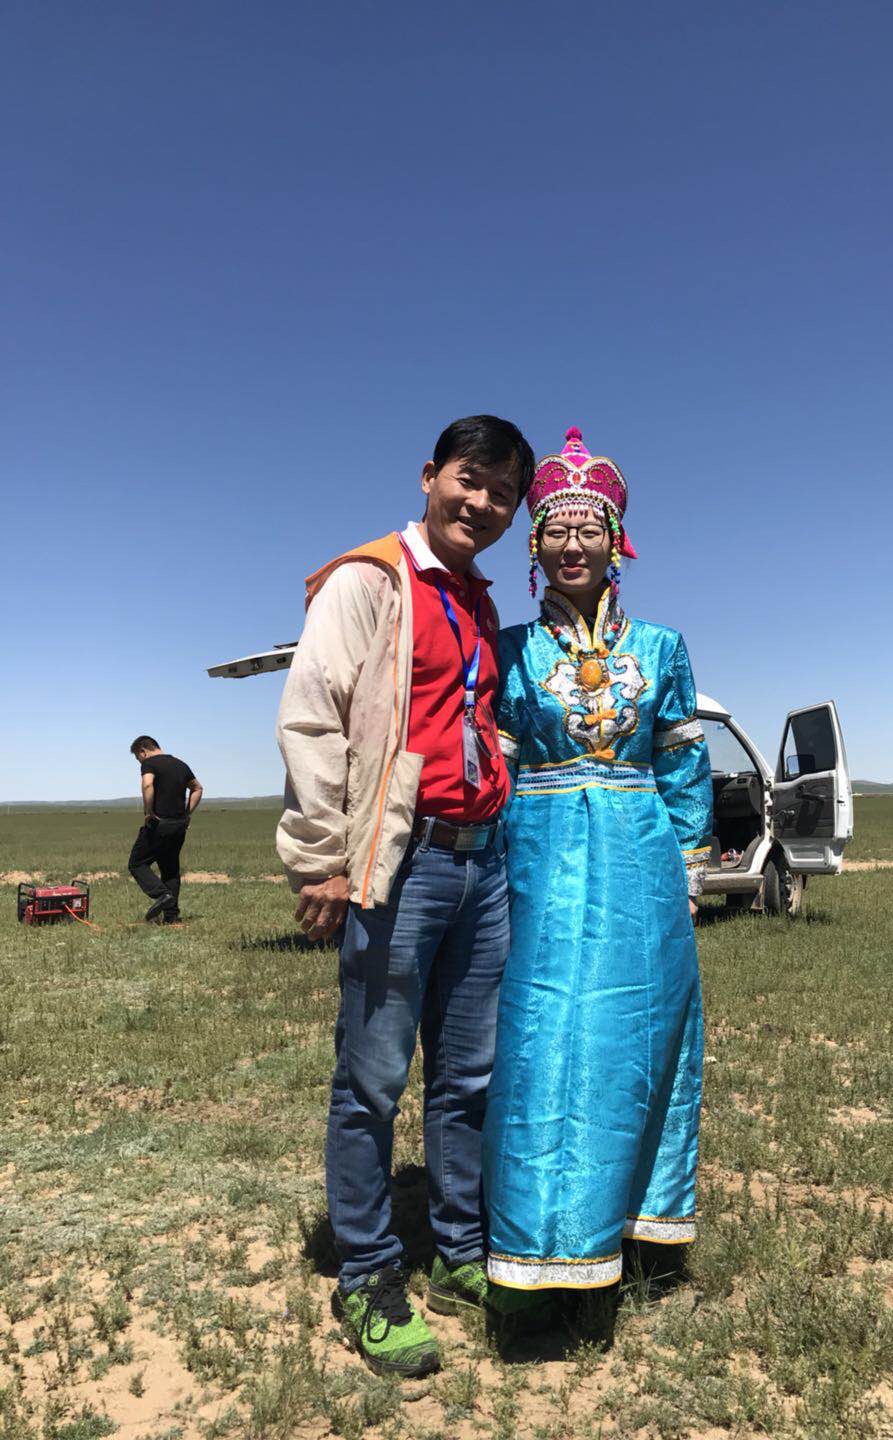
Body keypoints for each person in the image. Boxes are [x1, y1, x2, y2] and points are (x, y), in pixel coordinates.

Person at [275, 415, 535, 1378]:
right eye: (471, 479)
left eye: (504, 492)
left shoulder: (476, 600)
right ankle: (368, 1273)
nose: (484, 503)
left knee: (469, 1075)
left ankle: (461, 1252)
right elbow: (314, 719)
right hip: (403, 861)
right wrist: (321, 858)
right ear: (430, 476)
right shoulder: (370, 580)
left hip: (482, 864)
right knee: (373, 1078)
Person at [483, 427, 713, 1301]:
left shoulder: (661, 647)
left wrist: (689, 872)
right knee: (542, 1039)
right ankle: (537, 1247)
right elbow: (498, 772)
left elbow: (684, 766)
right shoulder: (510, 650)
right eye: (556, 531)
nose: (572, 545)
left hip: (641, 864)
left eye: (589, 530)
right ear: (534, 546)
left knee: (641, 1036)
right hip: (538, 861)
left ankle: (643, 1236)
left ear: (617, 541)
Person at [128, 737, 203, 923]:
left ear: (143, 751)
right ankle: (172, 917)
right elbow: (198, 788)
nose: (140, 761)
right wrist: (186, 814)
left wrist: (149, 812)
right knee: (170, 869)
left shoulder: (150, 763)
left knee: (137, 863)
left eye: (138, 757)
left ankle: (162, 894)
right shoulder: (181, 765)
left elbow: (147, 784)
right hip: (178, 825)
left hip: (159, 823)